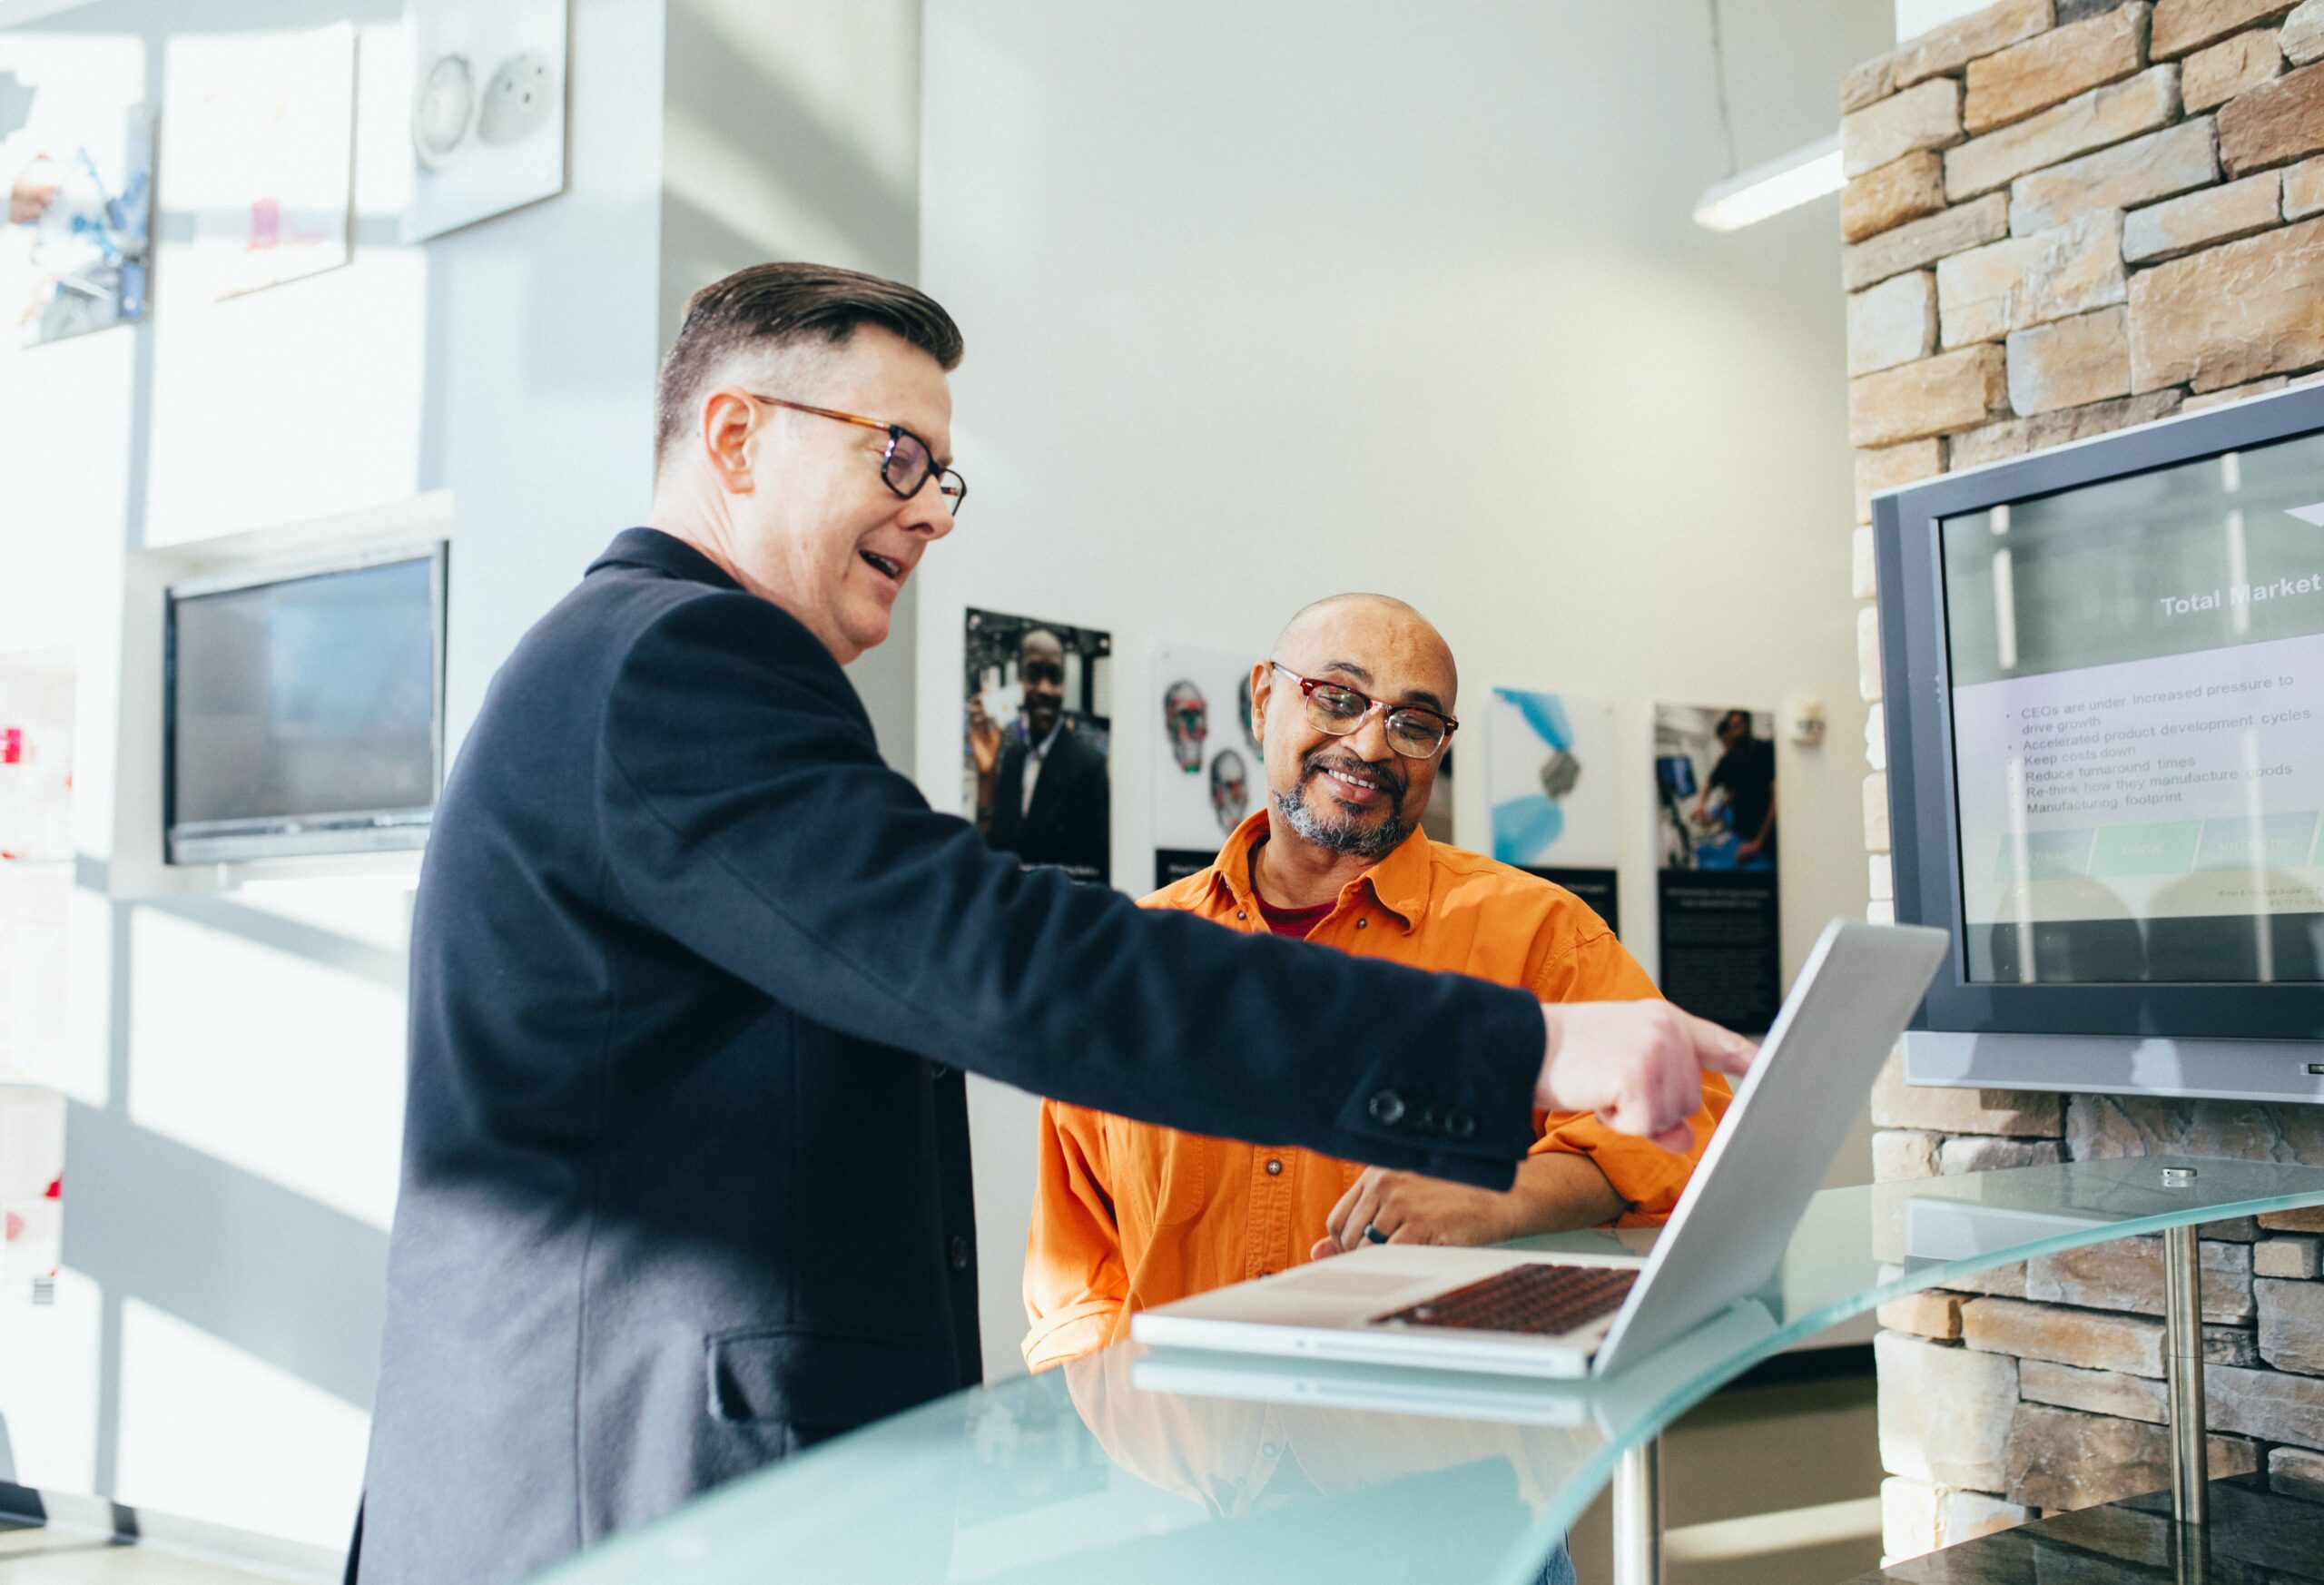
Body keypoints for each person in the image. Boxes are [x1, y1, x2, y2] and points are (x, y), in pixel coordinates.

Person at [349, 262, 1754, 1585]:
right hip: (632, 1490)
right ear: (733, 438)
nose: (933, 510)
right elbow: (1005, 961)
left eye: (942, 473)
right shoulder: (677, 660)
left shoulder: (637, 665)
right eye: (895, 454)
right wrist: (1524, 1051)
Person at [1022, 596, 1729, 1372]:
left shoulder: (1538, 934)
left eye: (1414, 723)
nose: (1369, 744)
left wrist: (1502, 1195)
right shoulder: (1138, 958)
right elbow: (1076, 1266)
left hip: (1434, 1457)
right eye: (1337, 697)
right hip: (1183, 1465)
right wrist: (1117, 1438)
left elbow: (1693, 1122)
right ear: (1263, 700)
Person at [981, 626, 1109, 881]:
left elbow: (1098, 871)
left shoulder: (1088, 766)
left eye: (1055, 676)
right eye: (1034, 674)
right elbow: (995, 849)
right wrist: (985, 775)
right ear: (1019, 678)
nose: (1045, 689)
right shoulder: (1012, 758)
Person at [1694, 708, 1777, 870]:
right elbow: (1711, 784)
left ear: (1748, 725)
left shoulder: (1765, 750)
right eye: (1733, 727)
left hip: (1766, 836)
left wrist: (1758, 842)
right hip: (1742, 834)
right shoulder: (1729, 759)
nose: (1736, 733)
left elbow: (1777, 797)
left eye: (1739, 725)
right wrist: (1701, 806)